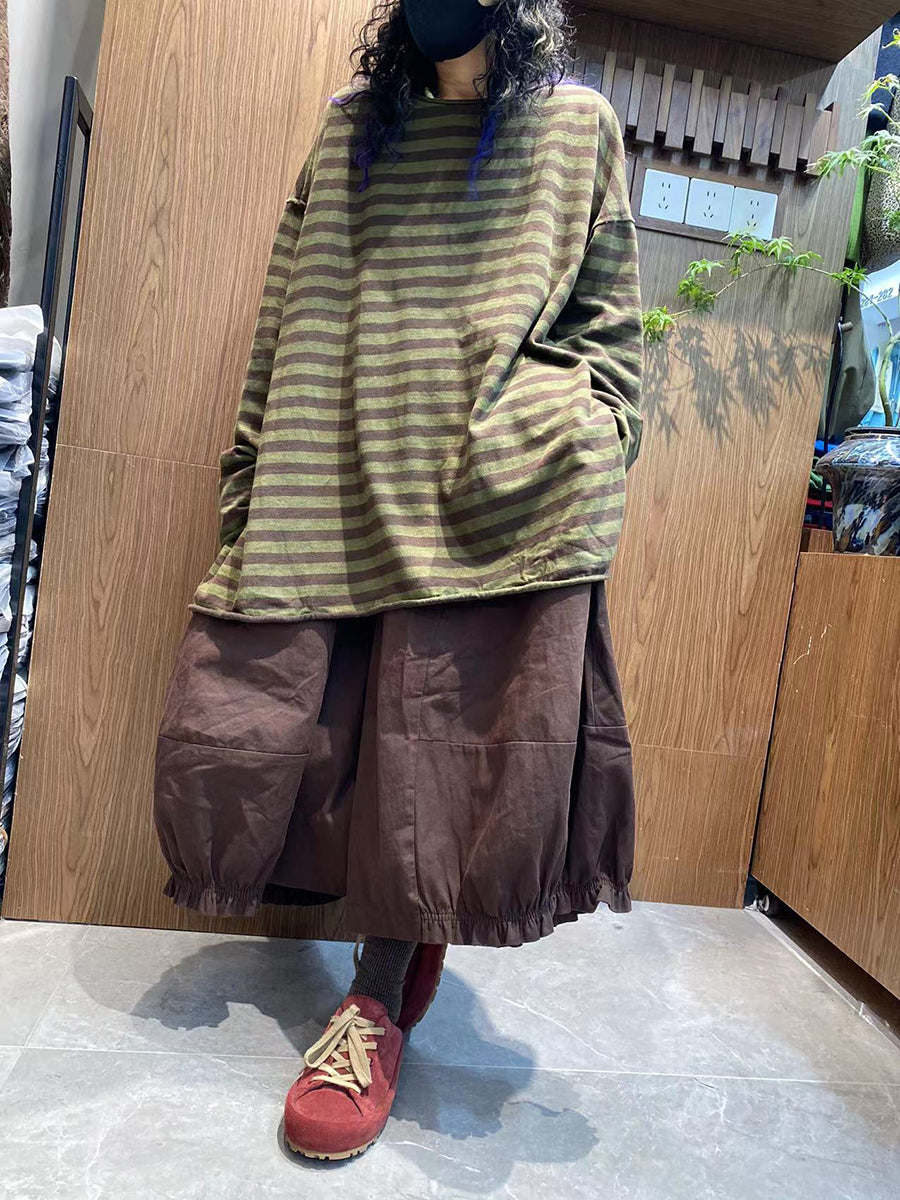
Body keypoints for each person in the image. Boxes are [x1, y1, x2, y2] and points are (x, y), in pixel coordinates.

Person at [153, 0, 643, 1162]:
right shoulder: (350, 131)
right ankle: (389, 971)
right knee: (269, 731)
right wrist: (251, 481)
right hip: (336, 468)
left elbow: (615, 345)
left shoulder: (576, 128)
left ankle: (375, 1000)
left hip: (500, 497)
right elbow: (284, 319)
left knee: (445, 759)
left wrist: (566, 436)